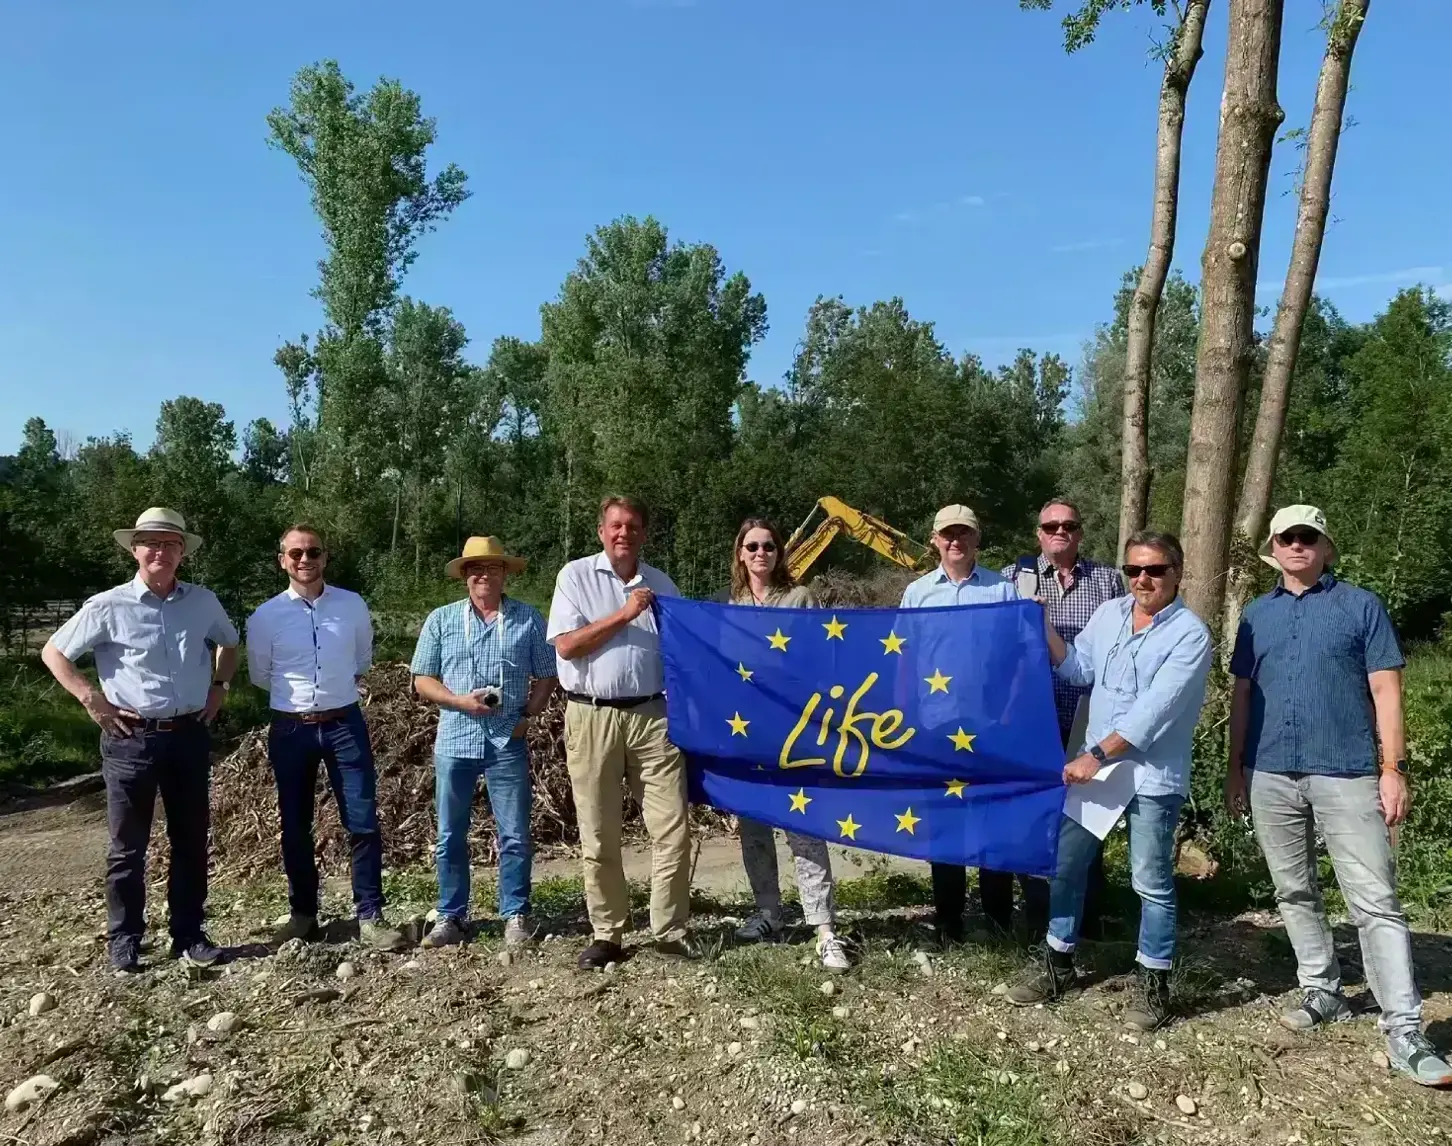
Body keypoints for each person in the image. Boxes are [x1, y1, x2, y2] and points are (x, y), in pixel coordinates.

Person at [1226, 505, 1452, 1087]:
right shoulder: (1255, 616)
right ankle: (1321, 989)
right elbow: (1243, 697)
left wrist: (1393, 768)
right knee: (1293, 888)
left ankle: (1404, 1028)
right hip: (1270, 771)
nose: (1298, 545)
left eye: (1309, 536)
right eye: (1287, 537)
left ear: (1326, 547)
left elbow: (1386, 691)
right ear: (1272, 549)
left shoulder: (1362, 606)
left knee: (1375, 899)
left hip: (1349, 772)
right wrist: (1235, 768)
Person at [1007, 531, 1211, 1032]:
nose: (1143, 579)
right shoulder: (1111, 614)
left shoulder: (1190, 634)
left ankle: (1154, 985)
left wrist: (1094, 757)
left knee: (1151, 882)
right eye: (1134, 569)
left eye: (1155, 570)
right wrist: (1043, 625)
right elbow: (1078, 670)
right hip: (1095, 767)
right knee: (1066, 866)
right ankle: (1058, 964)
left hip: (1149, 776)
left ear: (1177, 573)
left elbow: (1152, 716)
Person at [41, 507, 239, 972]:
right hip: (132, 739)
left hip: (189, 734)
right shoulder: (108, 605)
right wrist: (92, 698)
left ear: (181, 554)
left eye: (170, 544)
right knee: (128, 846)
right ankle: (125, 939)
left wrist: (219, 687)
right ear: (135, 549)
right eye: (151, 542)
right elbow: (54, 651)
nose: (160, 551)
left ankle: (188, 935)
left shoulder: (203, 602)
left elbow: (229, 643)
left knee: (191, 839)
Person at [547, 496, 695, 969]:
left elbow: (686, 649)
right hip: (592, 718)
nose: (623, 533)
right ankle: (608, 932)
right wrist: (626, 613)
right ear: (601, 531)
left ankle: (669, 930)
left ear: (644, 534)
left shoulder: (663, 584)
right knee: (598, 833)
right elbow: (568, 647)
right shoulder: (575, 577)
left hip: (653, 717)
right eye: (615, 525)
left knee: (673, 828)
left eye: (633, 526)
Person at [246, 525, 407, 953]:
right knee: (295, 826)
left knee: (363, 820)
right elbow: (261, 674)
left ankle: (370, 916)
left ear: (325, 556)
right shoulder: (265, 617)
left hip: (344, 724)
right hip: (291, 727)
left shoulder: (352, 606)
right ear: (282, 559)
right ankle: (303, 916)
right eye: (295, 553)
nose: (305, 559)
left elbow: (361, 660)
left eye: (313, 551)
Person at [410, 536, 558, 949]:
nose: (482, 574)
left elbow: (548, 673)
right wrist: (458, 701)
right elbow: (422, 678)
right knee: (449, 834)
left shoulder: (528, 619)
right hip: (455, 739)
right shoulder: (441, 620)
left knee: (514, 834)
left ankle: (515, 914)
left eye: (492, 567)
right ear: (464, 576)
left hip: (506, 741)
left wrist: (528, 716)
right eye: (474, 568)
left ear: (505, 572)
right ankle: (451, 916)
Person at [727, 517, 850, 972]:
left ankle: (823, 926)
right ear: (740, 553)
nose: (761, 553)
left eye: (769, 546)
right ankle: (769, 913)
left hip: (795, 733)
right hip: (746, 733)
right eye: (752, 546)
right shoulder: (730, 605)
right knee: (754, 828)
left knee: (805, 827)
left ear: (781, 552)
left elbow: (819, 659)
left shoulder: (800, 599)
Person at [1001, 498, 1126, 941]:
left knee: (1087, 818)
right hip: (1030, 721)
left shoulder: (1110, 581)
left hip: (1089, 720)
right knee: (1036, 817)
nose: (1060, 531)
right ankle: (1038, 918)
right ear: (1038, 533)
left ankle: (1086, 917)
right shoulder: (1011, 580)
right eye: (1051, 525)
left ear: (1080, 532)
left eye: (1069, 525)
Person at [899, 504, 1017, 943]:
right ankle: (949, 921)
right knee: (944, 826)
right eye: (947, 534)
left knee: (993, 825)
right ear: (934, 540)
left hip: (990, 728)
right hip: (934, 727)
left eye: (964, 533)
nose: (955, 541)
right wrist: (905, 720)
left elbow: (1020, 657)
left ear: (976, 539)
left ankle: (999, 920)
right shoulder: (917, 594)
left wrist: (1009, 713)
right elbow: (903, 661)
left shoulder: (1002, 592)